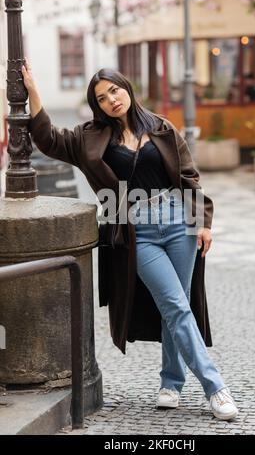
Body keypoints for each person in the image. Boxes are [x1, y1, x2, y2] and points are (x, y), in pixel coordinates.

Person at [22, 60, 238, 421]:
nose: (111, 100)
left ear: (127, 89)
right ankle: (215, 387)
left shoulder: (161, 127)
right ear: (97, 106)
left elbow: (188, 175)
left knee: (178, 305)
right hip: (136, 229)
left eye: (115, 90)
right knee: (174, 304)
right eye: (102, 98)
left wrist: (204, 221)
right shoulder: (89, 137)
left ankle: (171, 382)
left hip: (177, 221)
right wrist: (33, 93)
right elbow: (48, 140)